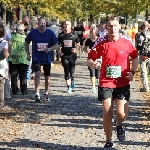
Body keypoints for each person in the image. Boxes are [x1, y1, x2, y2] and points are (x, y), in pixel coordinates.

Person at [87, 15, 139, 149]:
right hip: (105, 82)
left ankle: (119, 124)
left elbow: (135, 57)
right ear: (106, 27)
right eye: (110, 26)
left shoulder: (127, 41)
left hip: (122, 82)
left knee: (122, 114)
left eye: (115, 26)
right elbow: (90, 58)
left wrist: (132, 72)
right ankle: (108, 140)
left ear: (119, 27)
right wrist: (93, 64)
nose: (113, 29)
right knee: (107, 112)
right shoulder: (101, 42)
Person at [25, 17, 59, 102]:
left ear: (46, 24)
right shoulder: (33, 33)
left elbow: (57, 45)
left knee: (47, 77)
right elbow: (26, 42)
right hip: (37, 58)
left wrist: (50, 49)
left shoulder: (50, 33)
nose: (42, 25)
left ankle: (46, 93)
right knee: (37, 74)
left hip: (47, 58)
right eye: (41, 23)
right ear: (38, 24)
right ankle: (37, 94)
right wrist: (28, 54)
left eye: (44, 23)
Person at [58, 21, 80, 93]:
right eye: (65, 24)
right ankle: (69, 87)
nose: (66, 26)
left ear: (71, 26)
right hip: (64, 55)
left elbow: (78, 42)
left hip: (72, 56)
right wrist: (59, 51)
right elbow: (57, 45)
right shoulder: (60, 35)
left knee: (72, 72)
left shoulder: (74, 34)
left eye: (68, 24)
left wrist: (76, 49)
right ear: (63, 25)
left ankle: (72, 79)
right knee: (66, 71)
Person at [83, 24, 100, 93]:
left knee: (98, 75)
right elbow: (84, 49)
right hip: (90, 59)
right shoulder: (88, 40)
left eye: (94, 29)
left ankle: (99, 84)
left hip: (98, 59)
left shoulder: (99, 39)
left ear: (96, 31)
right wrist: (87, 50)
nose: (93, 30)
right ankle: (93, 87)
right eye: (92, 29)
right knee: (92, 72)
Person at [136, 21, 150, 92]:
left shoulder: (140, 34)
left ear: (142, 26)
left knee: (144, 72)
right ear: (148, 26)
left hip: (143, 55)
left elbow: (138, 45)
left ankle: (146, 87)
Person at [0, 24, 10, 107]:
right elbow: (5, 54)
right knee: (1, 84)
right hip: (1, 65)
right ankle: (1, 103)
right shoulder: (4, 43)